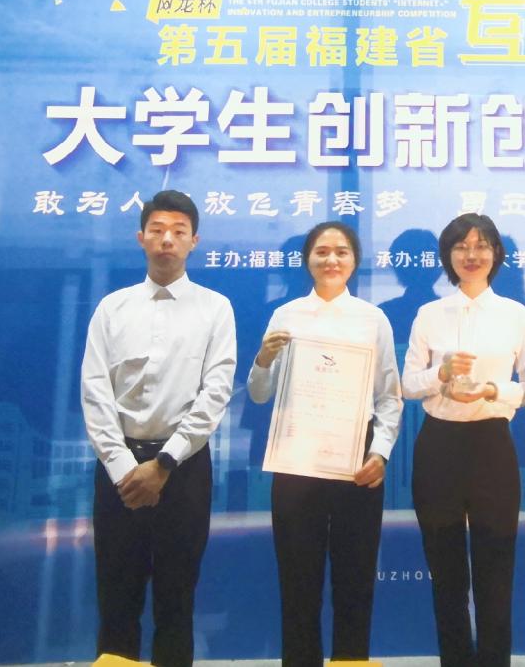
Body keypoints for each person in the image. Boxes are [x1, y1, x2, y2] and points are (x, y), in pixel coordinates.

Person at [81, 190, 236, 667]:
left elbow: (215, 393)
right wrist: (124, 468)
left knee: (177, 595)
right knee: (116, 594)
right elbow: (94, 391)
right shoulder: (112, 308)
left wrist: (165, 463)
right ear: (141, 238)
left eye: (178, 231)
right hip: (120, 472)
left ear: (194, 241)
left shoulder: (215, 308)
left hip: (184, 471)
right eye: (157, 230)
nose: (167, 239)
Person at [248, 221, 403, 666]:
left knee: (356, 575)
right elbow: (259, 394)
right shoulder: (286, 315)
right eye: (321, 252)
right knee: (298, 577)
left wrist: (381, 452)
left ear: (354, 261)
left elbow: (389, 397)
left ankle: (351, 660)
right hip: (297, 454)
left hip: (357, 456)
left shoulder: (372, 319)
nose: (331, 259)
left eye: (341, 252)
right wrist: (263, 360)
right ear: (307, 260)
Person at [401, 214, 525, 667]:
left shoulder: (517, 315)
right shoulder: (430, 314)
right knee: (446, 574)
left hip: (492, 446)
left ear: (496, 254)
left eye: (481, 246)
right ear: (448, 256)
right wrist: (439, 375)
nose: (471, 255)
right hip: (438, 447)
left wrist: (493, 390)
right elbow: (407, 384)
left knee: (496, 571)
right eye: (461, 247)